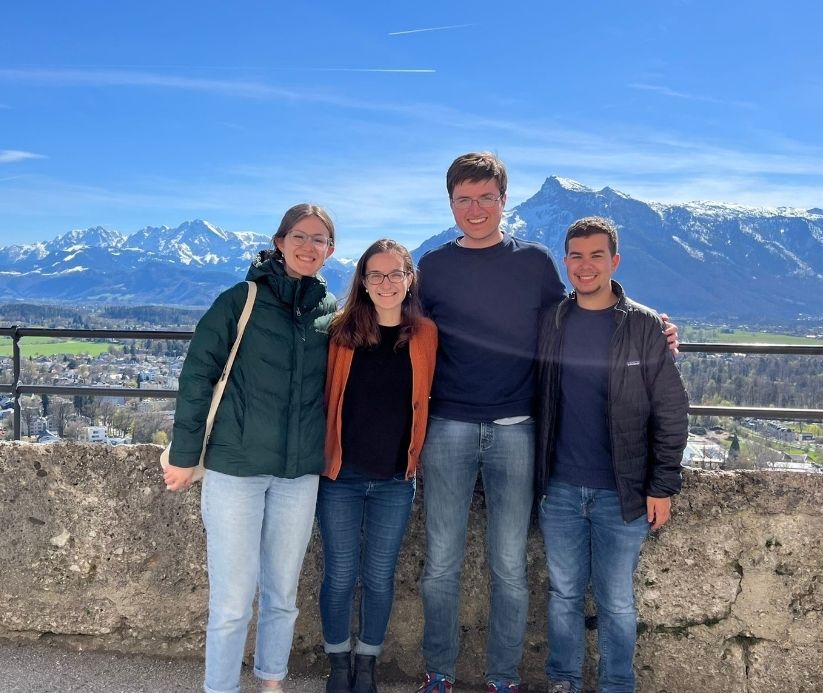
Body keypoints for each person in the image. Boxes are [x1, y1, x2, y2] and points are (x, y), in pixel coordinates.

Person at [415, 153, 679, 693]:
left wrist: (654, 330)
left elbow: (583, 311)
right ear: (450, 204)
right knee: (440, 562)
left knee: (510, 566)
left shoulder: (535, 262)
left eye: (486, 197)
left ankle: (504, 679)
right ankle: (439, 673)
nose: (475, 208)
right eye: (464, 199)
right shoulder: (434, 266)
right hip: (449, 425)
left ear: (503, 201)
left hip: (517, 428)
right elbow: (403, 328)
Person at [163, 203, 337, 693]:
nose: (309, 246)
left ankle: (271, 681)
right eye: (299, 236)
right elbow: (198, 374)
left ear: (330, 250)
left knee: (283, 594)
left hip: (299, 472)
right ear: (279, 242)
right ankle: (220, 688)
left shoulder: (331, 311)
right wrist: (182, 453)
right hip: (236, 470)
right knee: (233, 600)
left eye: (319, 239)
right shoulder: (241, 299)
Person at [534, 216, 689, 693]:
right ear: (566, 263)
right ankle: (563, 681)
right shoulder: (552, 321)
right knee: (562, 595)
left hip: (621, 492)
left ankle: (616, 685)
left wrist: (662, 485)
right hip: (558, 487)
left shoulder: (643, 326)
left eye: (596, 255)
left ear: (614, 261)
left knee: (617, 600)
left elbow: (671, 410)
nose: (585, 266)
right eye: (576, 256)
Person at [319, 239, 437, 693]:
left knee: (380, 577)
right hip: (341, 477)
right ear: (363, 282)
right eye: (376, 275)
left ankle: (366, 661)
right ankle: (337, 662)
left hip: (394, 478)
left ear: (409, 279)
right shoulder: (339, 332)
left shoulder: (425, 334)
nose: (386, 283)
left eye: (395, 274)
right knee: (340, 575)